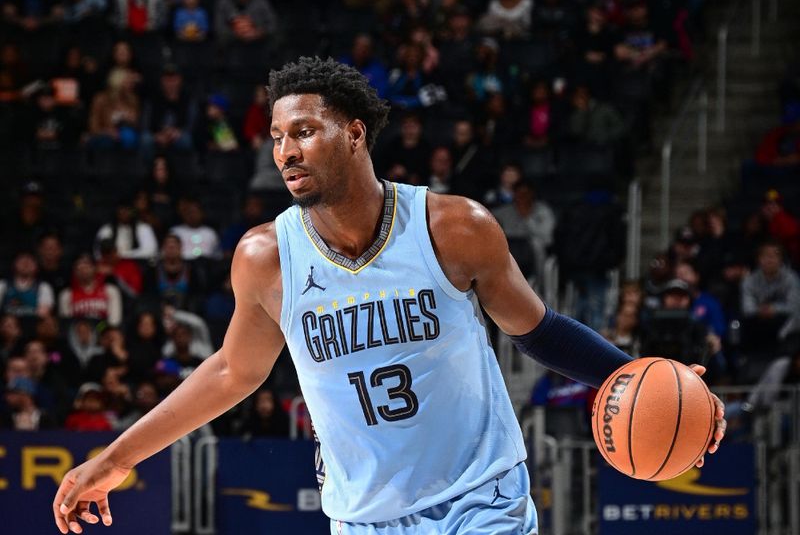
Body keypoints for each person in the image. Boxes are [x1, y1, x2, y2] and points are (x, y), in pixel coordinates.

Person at [52, 58, 726, 535]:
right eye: (278, 137)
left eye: (305, 131)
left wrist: (648, 379)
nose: (287, 151)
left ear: (354, 133)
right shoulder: (265, 257)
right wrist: (115, 459)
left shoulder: (454, 228)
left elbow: (538, 330)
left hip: (479, 500)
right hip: (362, 516)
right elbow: (232, 371)